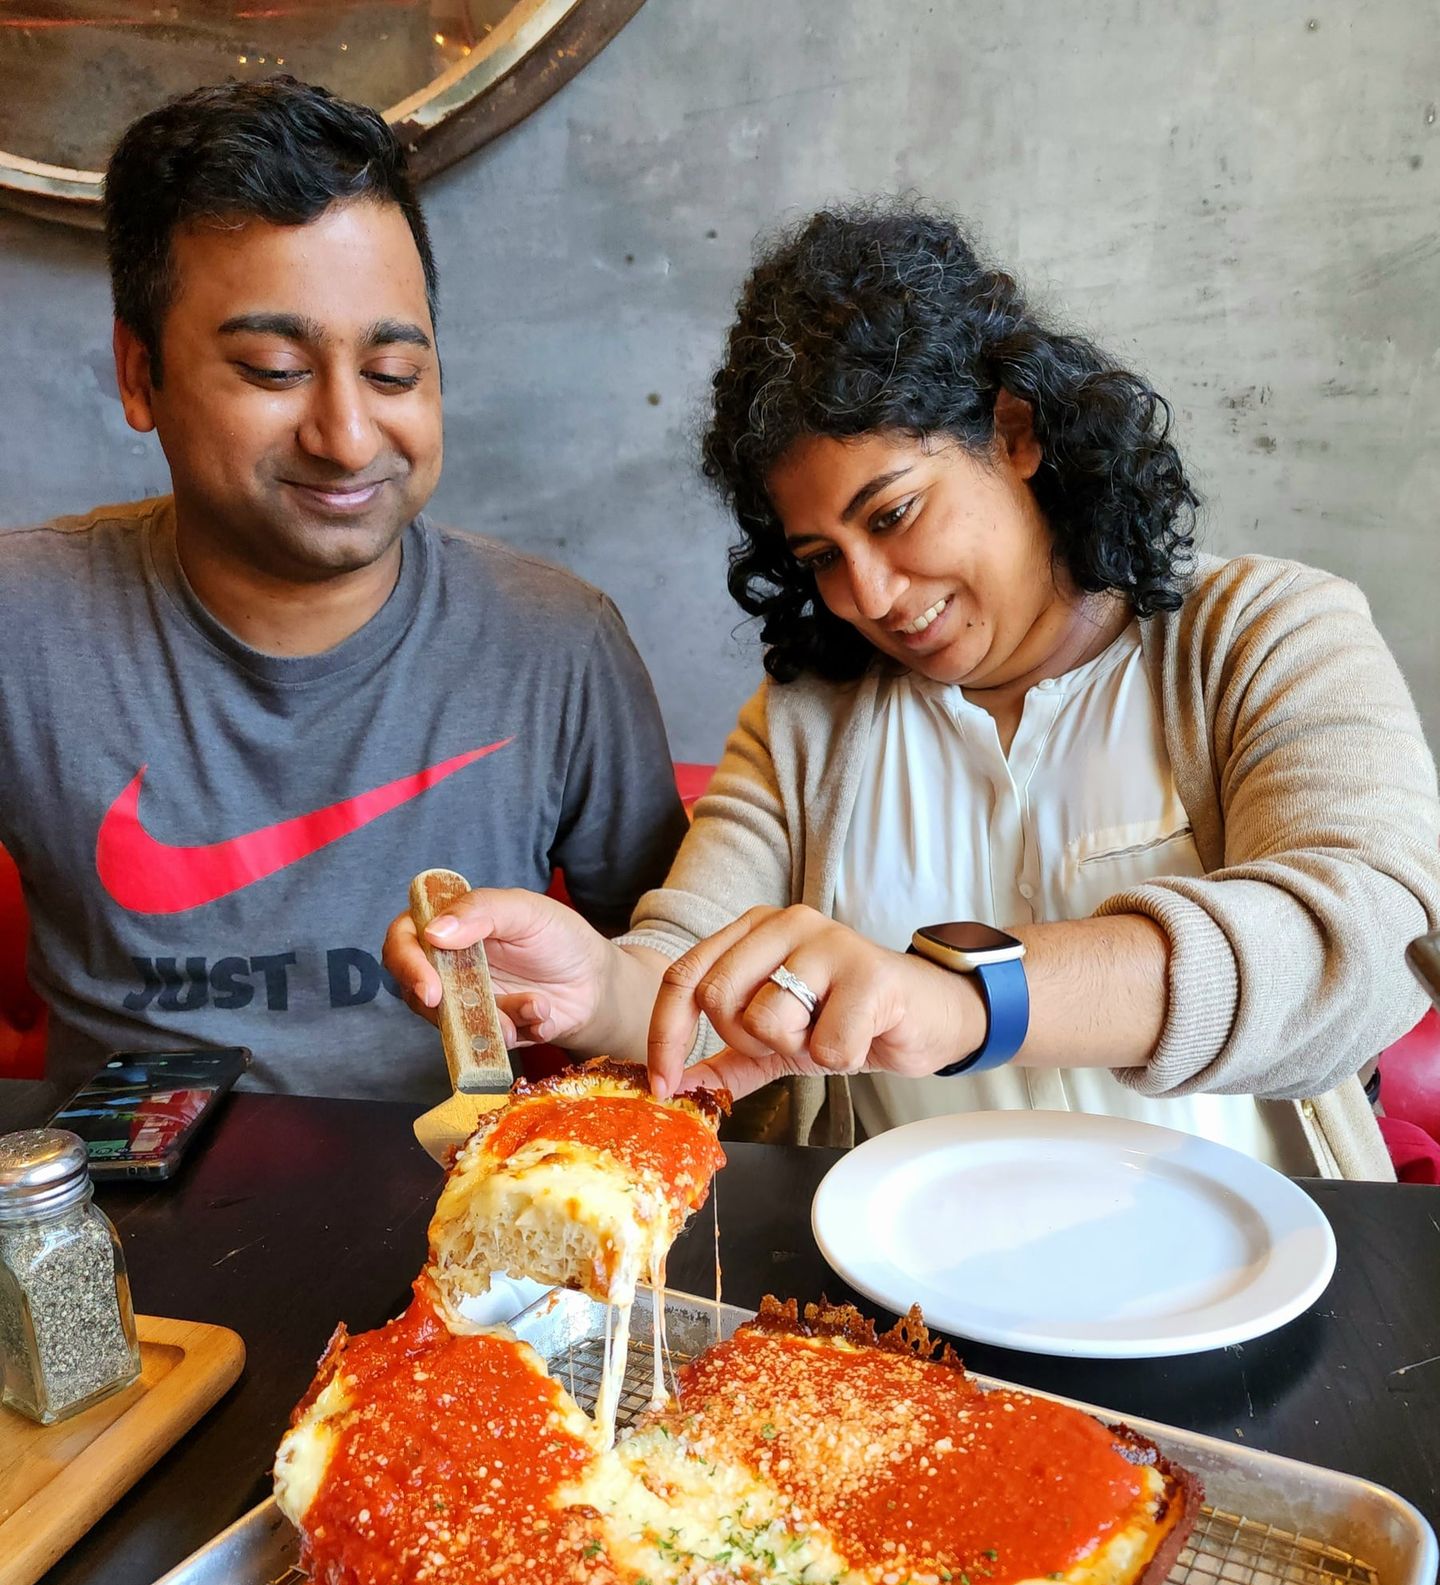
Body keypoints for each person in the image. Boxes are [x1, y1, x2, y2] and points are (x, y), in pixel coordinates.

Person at [385, 204, 1440, 1177]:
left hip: (1259, 1278)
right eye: (822, 556)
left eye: (890, 515)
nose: (870, 595)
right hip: (895, 1312)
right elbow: (694, 977)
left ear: (1017, 434)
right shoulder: (808, 721)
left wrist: (968, 999)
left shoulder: (1263, 635)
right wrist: (597, 986)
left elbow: (1368, 941)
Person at [0, 79, 684, 1098]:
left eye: (394, 373)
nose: (347, 436)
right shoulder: (25, 626)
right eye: (275, 369)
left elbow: (669, 1013)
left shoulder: (557, 645)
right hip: (115, 1232)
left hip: (460, 1224)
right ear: (140, 374)